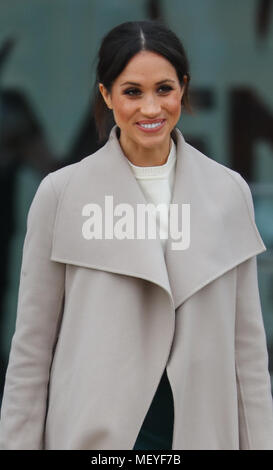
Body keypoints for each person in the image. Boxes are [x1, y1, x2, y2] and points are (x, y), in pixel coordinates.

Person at [0, 19, 273, 450]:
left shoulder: (228, 193)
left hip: (199, 433)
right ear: (107, 95)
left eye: (164, 89)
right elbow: (31, 354)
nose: (151, 108)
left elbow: (249, 358)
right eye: (132, 92)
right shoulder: (62, 194)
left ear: (182, 88)